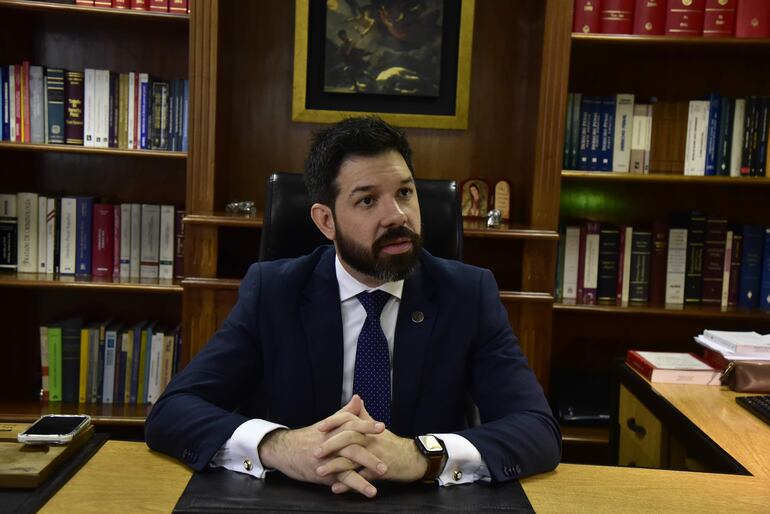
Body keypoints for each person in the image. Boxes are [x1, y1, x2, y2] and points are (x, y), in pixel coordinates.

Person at [145, 116, 561, 498]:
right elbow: (173, 411)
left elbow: (537, 430)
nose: (396, 216)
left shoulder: (467, 294)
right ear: (326, 221)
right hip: (297, 502)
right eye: (367, 200)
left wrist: (421, 455)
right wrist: (279, 446)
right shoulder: (274, 292)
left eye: (405, 193)